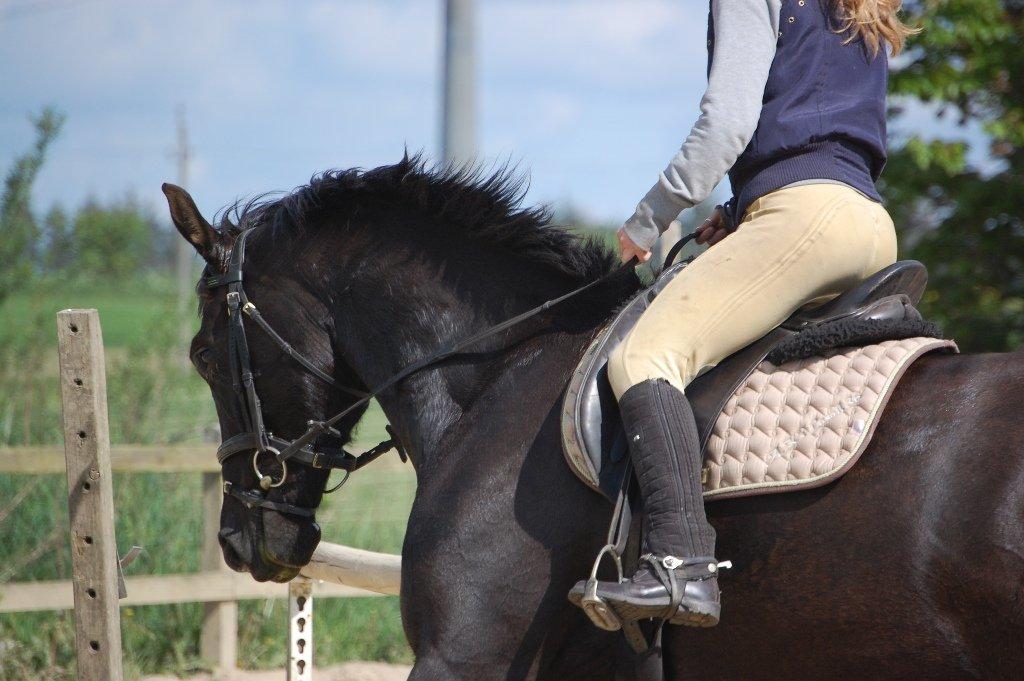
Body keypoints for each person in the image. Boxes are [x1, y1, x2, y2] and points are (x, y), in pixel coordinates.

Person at [570, 0, 917, 627]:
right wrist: (738, 212)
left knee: (647, 356)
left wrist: (647, 221)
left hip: (805, 218)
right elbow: (824, 122)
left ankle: (680, 567)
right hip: (868, 221)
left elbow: (726, 124)